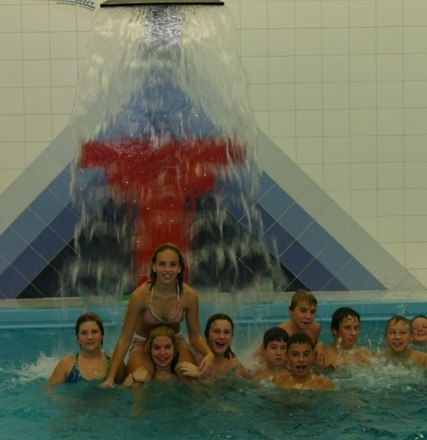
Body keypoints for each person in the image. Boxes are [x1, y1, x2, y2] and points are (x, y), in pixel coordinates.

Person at [100, 242, 213, 388]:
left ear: (179, 268)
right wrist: (110, 378)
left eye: (173, 264)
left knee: (191, 379)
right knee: (138, 383)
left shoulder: (189, 296)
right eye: (162, 264)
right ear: (154, 266)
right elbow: (125, 338)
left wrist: (209, 354)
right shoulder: (140, 296)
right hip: (143, 344)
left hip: (175, 343)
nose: (167, 269)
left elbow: (195, 335)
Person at [48, 312, 125, 385]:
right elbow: (50, 392)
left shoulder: (115, 361)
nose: (90, 337)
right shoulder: (66, 364)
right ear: (77, 337)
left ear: (102, 335)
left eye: (94, 332)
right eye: (84, 333)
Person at [278, 289, 326, 364]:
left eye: (312, 312)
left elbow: (314, 343)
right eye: (303, 311)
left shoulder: (315, 328)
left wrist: (320, 344)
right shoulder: (281, 333)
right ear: (290, 310)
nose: (308, 316)